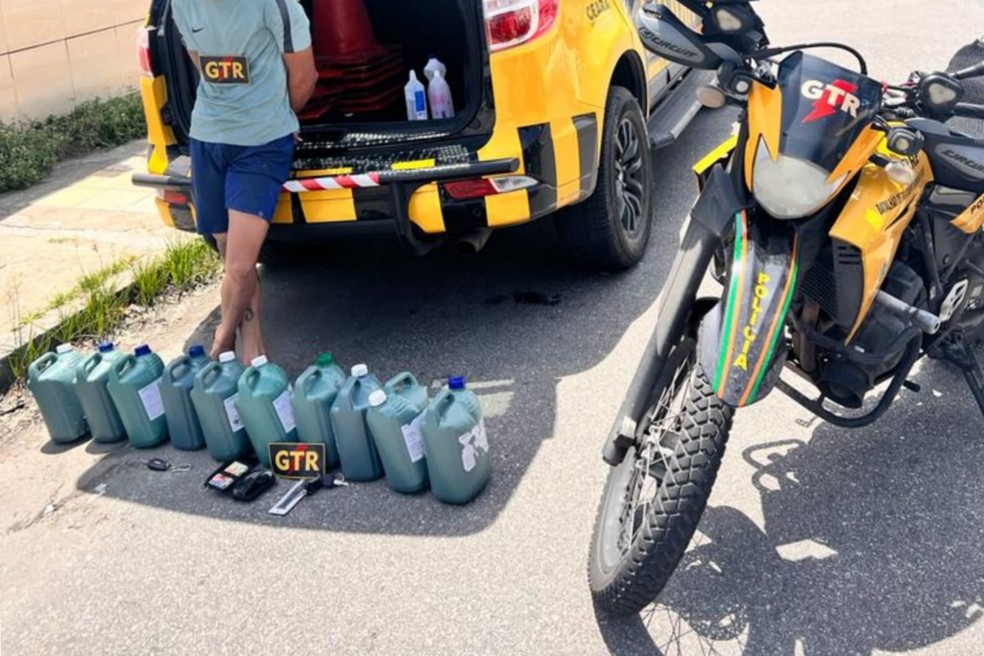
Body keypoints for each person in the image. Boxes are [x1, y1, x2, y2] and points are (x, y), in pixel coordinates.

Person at [172, 0, 318, 362]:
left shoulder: (277, 6)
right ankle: (254, 350)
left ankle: (220, 346)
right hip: (207, 137)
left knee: (238, 265)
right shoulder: (180, 4)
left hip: (261, 144)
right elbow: (198, 59)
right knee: (232, 255)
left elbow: (305, 78)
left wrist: (278, 116)